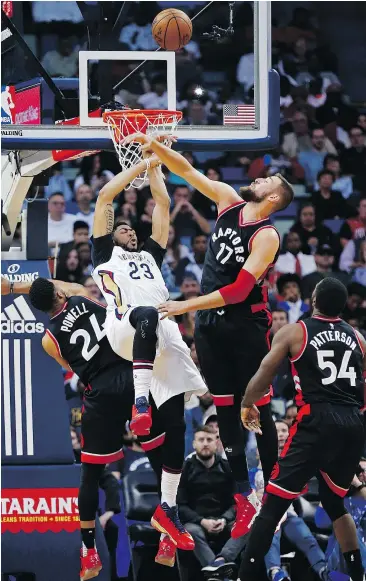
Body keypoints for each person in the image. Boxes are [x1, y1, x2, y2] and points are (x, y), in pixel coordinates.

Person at [126, 132, 295, 537]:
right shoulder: (226, 200)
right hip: (211, 326)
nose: (257, 180)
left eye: (265, 181)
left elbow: (238, 289)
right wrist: (153, 145)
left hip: (244, 326)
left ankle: (272, 486)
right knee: (224, 408)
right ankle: (241, 494)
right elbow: (185, 170)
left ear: (273, 198)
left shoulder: (268, 235)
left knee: (256, 405)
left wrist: (186, 306)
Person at [1, 275, 194, 578]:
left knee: (91, 474)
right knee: (161, 459)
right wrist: (14, 285)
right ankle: (167, 538)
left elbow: (70, 366)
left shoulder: (47, 340)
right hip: (130, 377)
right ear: (60, 290)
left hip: (100, 395)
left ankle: (88, 551)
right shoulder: (79, 295)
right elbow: (59, 286)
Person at [90, 154, 207, 557]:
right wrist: (136, 168)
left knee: (176, 430)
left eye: (132, 231)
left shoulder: (151, 257)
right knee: (145, 315)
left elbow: (163, 206)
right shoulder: (103, 253)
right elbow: (106, 197)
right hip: (124, 329)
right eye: (123, 229)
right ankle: (140, 399)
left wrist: (156, 164)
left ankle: (168, 513)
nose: (130, 233)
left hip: (160, 337)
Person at [239, 277, 366, 581]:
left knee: (272, 503)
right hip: (353, 422)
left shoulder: (297, 331)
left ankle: (244, 576)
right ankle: (357, 574)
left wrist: (247, 401)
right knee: (335, 501)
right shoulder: (359, 338)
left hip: (316, 420)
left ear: (313, 301)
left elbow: (265, 370)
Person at [262, 421, 330, 581]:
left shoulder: (301, 457)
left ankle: (325, 571)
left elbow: (306, 488)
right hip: (267, 514)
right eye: (276, 430)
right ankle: (275, 573)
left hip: (291, 512)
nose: (280, 434)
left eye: (284, 430)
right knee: (270, 535)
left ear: (289, 433)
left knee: (307, 538)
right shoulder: (260, 459)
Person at [177, 426, 246, 580]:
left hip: (223, 519)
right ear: (194, 444)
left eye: (209, 440)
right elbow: (180, 505)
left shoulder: (228, 468)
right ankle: (221, 576)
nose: (205, 443)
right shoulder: (184, 469)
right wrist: (202, 521)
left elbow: (238, 501)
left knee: (247, 526)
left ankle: (220, 561)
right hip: (196, 521)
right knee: (191, 532)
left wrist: (225, 518)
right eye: (201, 440)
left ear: (217, 443)